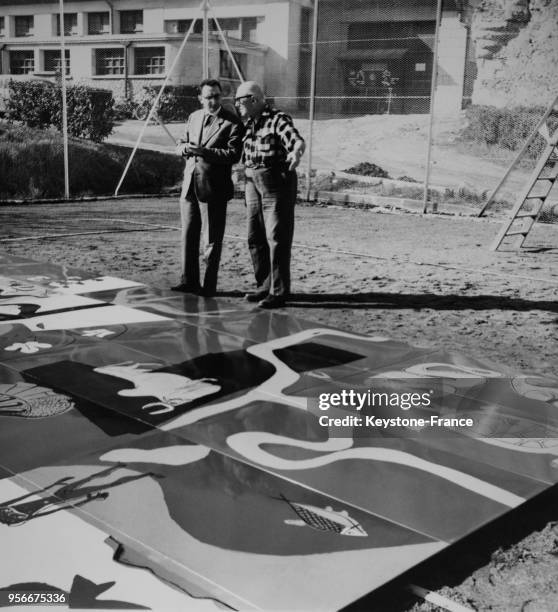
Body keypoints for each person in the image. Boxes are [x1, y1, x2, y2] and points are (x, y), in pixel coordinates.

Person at [234, 81, 305, 309]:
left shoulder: (277, 118)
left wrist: (296, 153)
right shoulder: (250, 122)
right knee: (254, 236)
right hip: (252, 183)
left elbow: (295, 140)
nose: (237, 105)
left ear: (253, 99)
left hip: (275, 182)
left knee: (276, 237)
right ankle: (264, 285)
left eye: (240, 100)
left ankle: (279, 291)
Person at [173, 79, 243, 297]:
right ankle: (189, 281)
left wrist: (205, 152)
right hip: (189, 186)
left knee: (212, 238)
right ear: (200, 99)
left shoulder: (232, 122)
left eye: (216, 96)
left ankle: (208, 285)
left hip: (214, 188)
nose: (213, 101)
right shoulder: (194, 117)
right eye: (208, 97)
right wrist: (184, 148)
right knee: (188, 235)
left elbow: (234, 155)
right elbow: (180, 142)